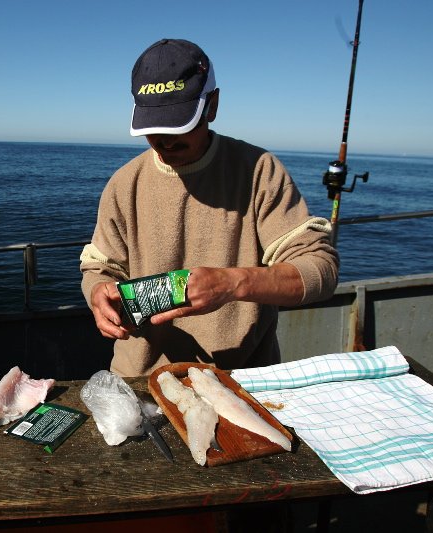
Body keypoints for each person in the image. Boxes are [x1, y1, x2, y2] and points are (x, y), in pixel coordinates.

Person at [80, 39, 339, 377]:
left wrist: (232, 283)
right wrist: (98, 295)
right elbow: (99, 269)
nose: (166, 141)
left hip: (242, 377)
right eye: (154, 128)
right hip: (141, 378)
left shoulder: (259, 171)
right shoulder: (123, 183)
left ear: (212, 105)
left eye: (179, 124)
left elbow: (321, 270)